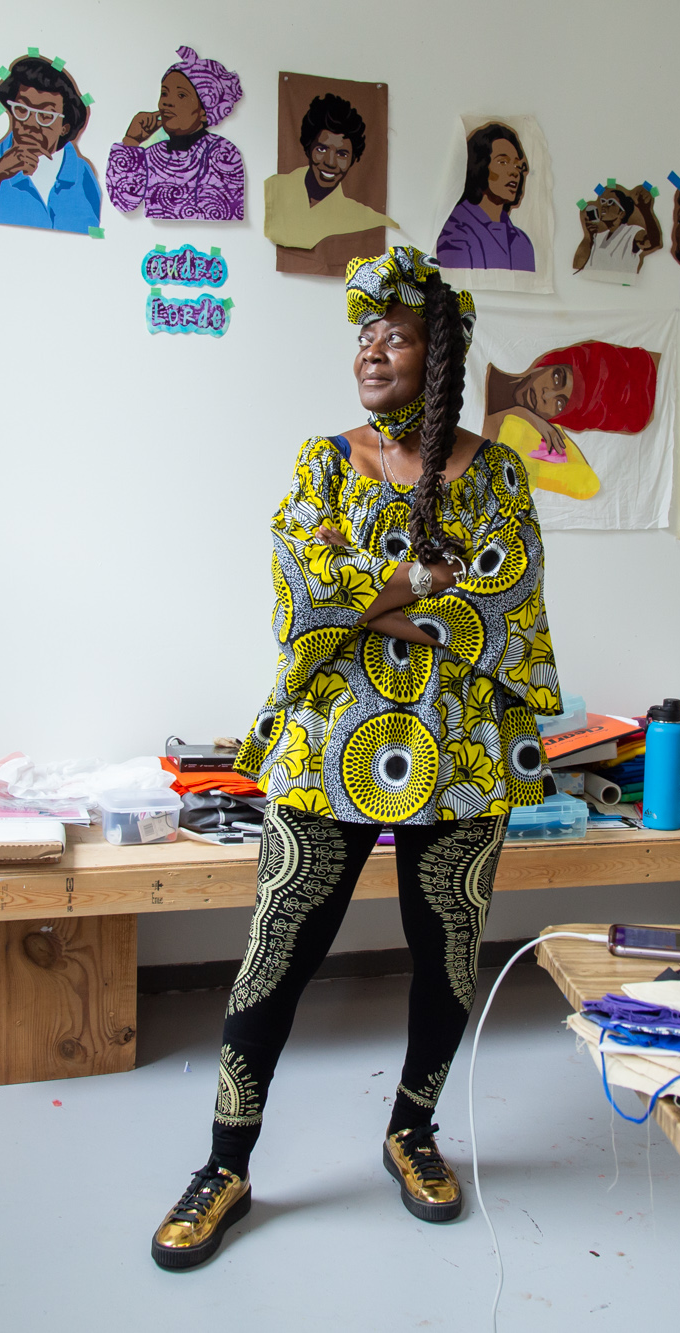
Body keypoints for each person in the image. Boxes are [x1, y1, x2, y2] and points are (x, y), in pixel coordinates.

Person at [150, 245, 560, 1272]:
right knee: (276, 950)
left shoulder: (497, 472)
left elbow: (505, 601)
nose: (371, 349)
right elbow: (302, 591)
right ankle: (224, 1166)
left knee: (449, 955)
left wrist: (385, 600)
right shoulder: (321, 462)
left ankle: (411, 1130)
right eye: (363, 336)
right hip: (331, 742)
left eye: (397, 333)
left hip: (461, 751)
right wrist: (423, 589)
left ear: (443, 352)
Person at [481, 340, 660, 499]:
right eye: (557, 378)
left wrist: (524, 415)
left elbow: (587, 483)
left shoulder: (527, 434)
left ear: (560, 418)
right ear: (549, 362)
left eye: (560, 404)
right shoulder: (477, 361)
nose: (546, 394)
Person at [107, 47, 245, 221]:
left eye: (181, 95)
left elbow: (223, 212)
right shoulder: (151, 154)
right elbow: (124, 203)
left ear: (204, 110)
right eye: (164, 93)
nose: (167, 103)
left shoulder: (224, 153)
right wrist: (131, 141)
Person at [0, 56, 100, 232]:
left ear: (65, 127)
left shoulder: (82, 173)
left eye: (46, 116)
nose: (31, 124)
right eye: (22, 110)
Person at [263, 93, 397, 250]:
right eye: (321, 149)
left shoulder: (363, 218)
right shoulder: (276, 186)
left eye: (342, 154)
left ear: (353, 159)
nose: (330, 162)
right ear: (308, 148)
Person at [435, 123, 534, 270]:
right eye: (503, 162)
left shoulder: (522, 242)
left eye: (517, 166)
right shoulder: (454, 230)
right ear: (480, 165)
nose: (514, 172)